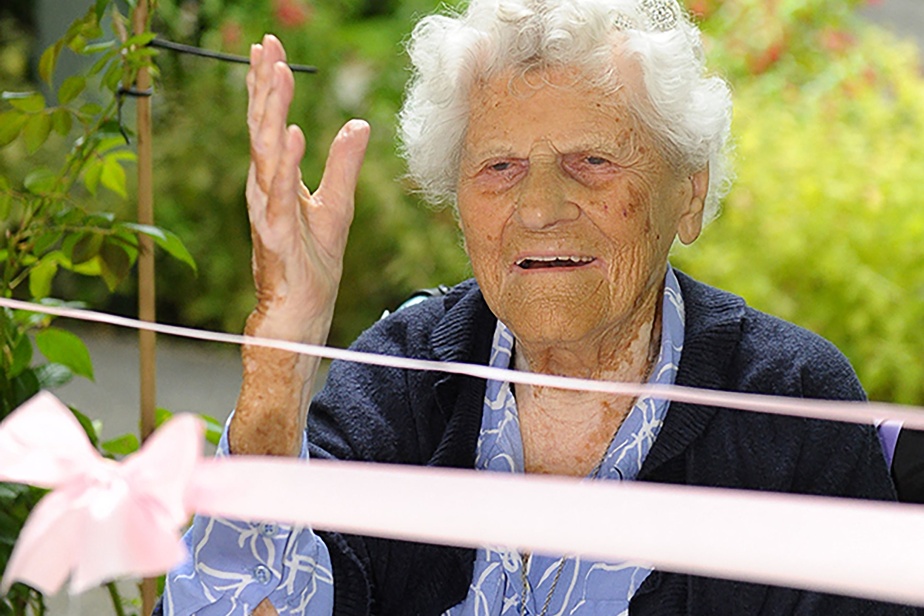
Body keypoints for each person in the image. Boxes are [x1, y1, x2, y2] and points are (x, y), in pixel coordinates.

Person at [158, 0, 915, 614]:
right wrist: (281, 353)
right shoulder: (399, 384)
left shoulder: (789, 406)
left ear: (686, 191)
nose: (541, 207)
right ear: (457, 204)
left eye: (593, 161)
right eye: (500, 167)